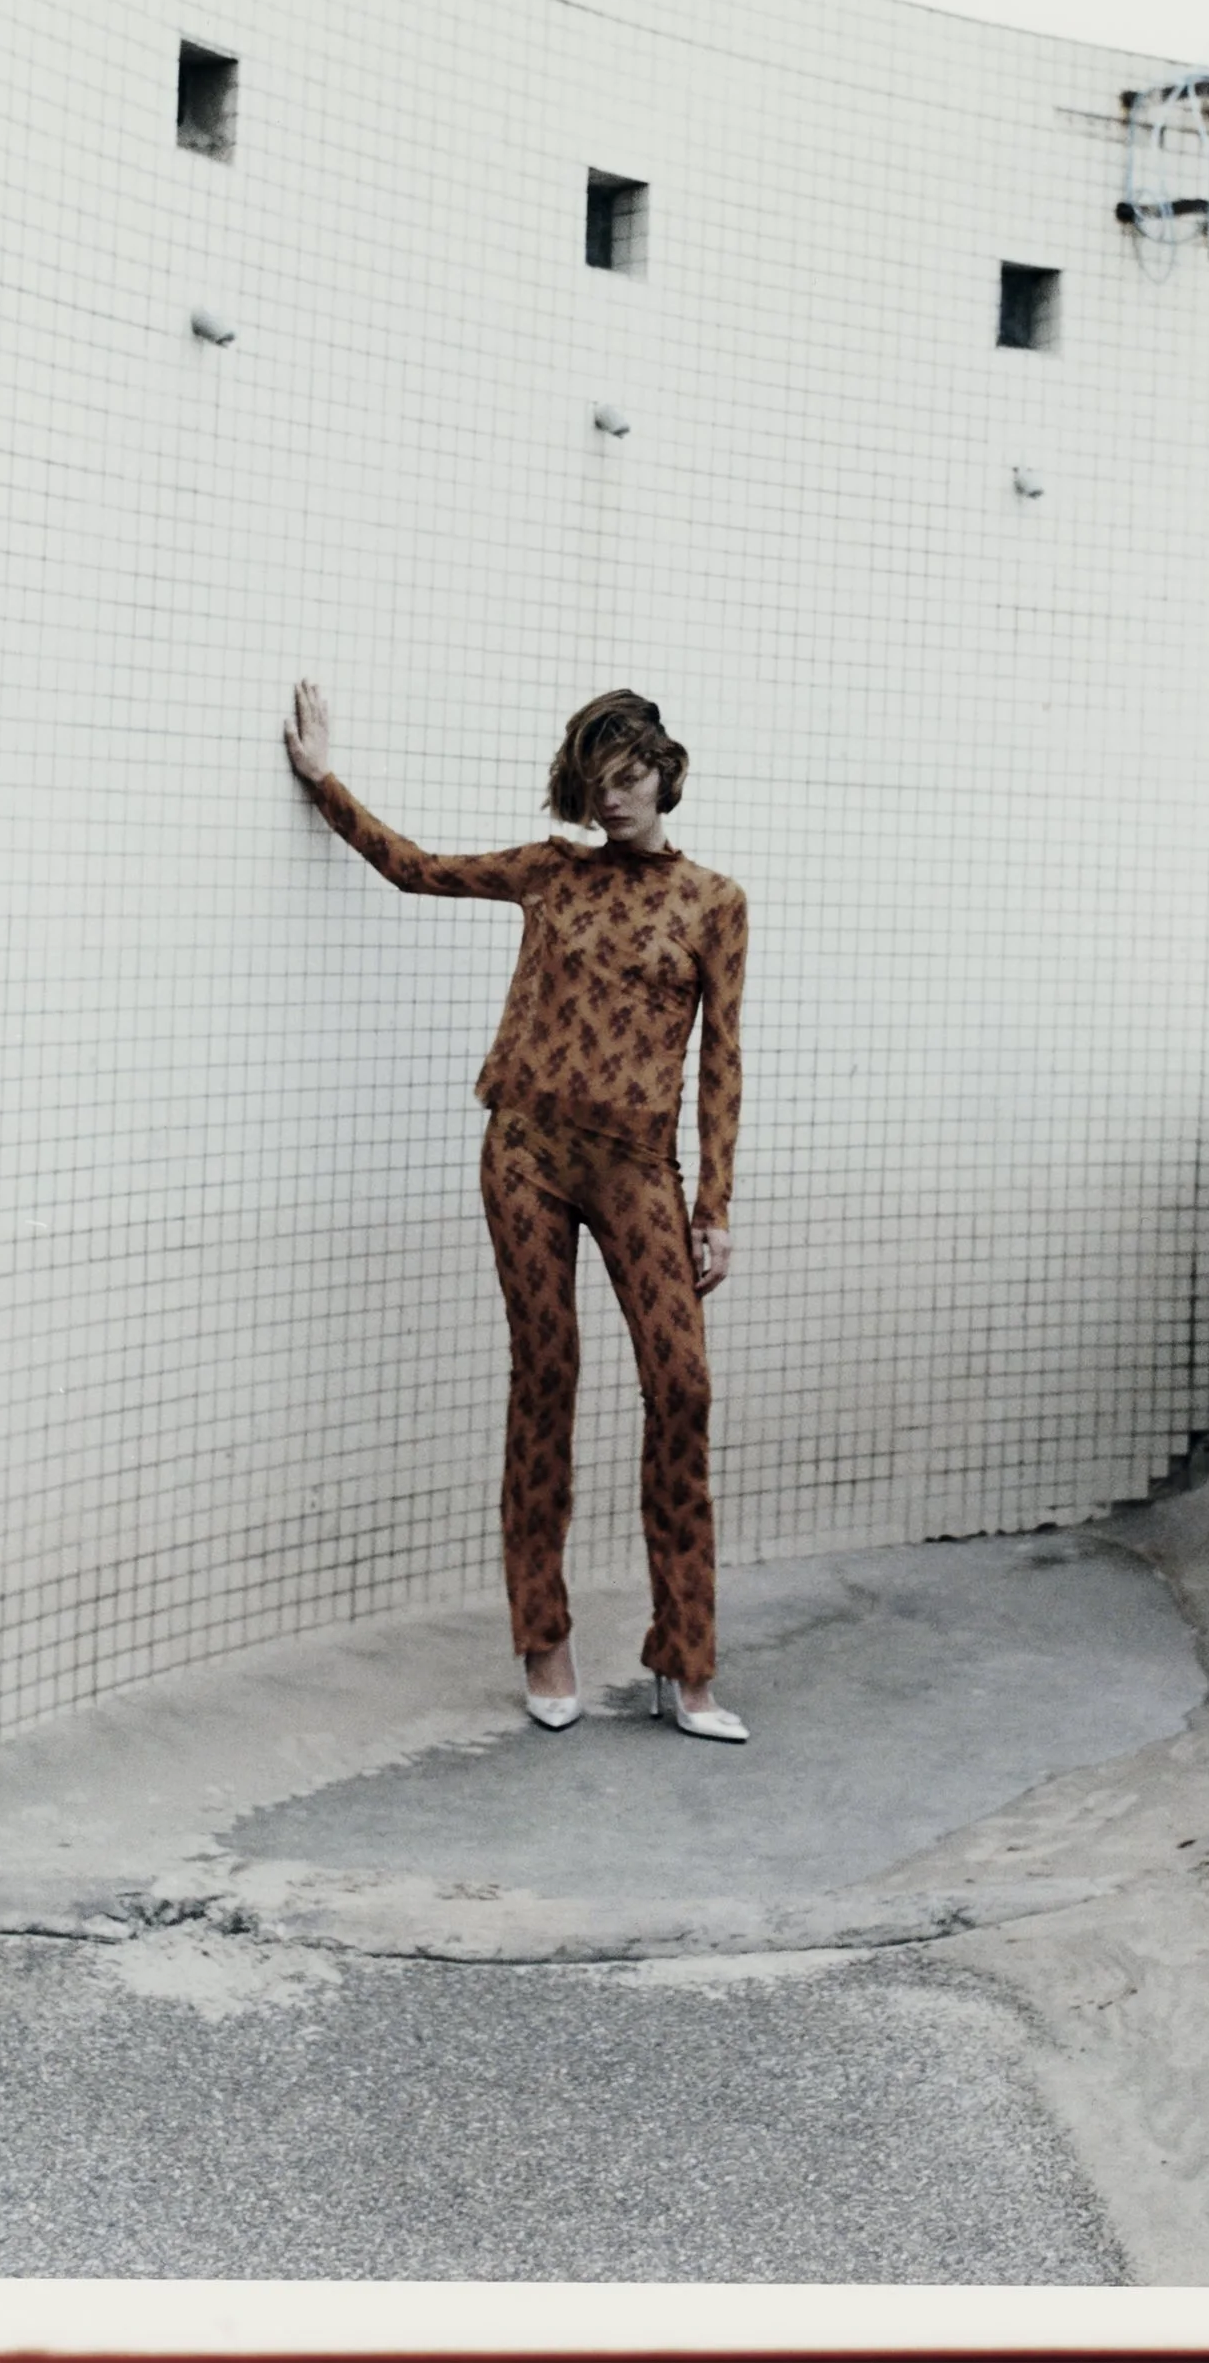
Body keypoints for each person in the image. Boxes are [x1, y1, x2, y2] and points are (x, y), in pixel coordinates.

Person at [282, 679, 751, 1742]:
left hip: (637, 1165)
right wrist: (325, 781)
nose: (614, 794)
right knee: (546, 1371)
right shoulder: (550, 871)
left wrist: (713, 1199)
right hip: (526, 1151)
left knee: (680, 1386)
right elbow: (416, 869)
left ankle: (687, 1660)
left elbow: (722, 1056)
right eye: (597, 776)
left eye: (630, 772)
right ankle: (542, 1637)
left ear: (665, 773)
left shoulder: (713, 902)